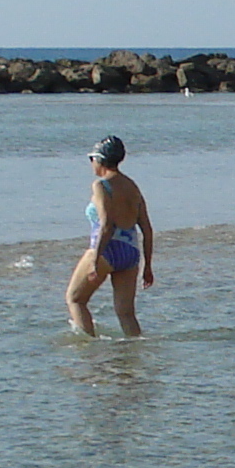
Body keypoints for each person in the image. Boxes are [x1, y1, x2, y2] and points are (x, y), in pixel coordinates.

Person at [68, 135, 155, 335]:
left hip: (107, 250)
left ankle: (88, 351)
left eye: (92, 159)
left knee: (76, 300)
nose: (91, 164)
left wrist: (95, 259)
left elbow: (106, 225)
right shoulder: (132, 186)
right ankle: (135, 351)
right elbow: (147, 229)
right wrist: (148, 266)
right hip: (130, 253)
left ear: (100, 160)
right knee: (126, 314)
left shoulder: (100, 186)